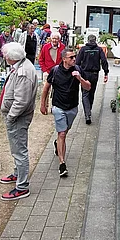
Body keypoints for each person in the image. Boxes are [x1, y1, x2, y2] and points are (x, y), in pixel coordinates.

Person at [41, 49, 91, 177]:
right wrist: (43, 104)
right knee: (62, 133)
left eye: (75, 57)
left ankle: (57, 144)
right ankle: (62, 164)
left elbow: (88, 87)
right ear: (64, 59)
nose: (74, 59)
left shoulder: (78, 69)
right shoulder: (55, 71)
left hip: (72, 107)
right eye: (71, 57)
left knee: (65, 131)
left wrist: (79, 78)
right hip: (58, 106)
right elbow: (46, 87)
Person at [0, 42, 37, 200]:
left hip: (18, 118)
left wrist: (10, 116)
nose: (4, 57)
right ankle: (17, 174)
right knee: (16, 148)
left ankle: (22, 187)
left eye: (5, 55)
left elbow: (21, 101)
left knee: (19, 151)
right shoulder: (21, 65)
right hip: (16, 116)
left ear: (11, 57)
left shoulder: (23, 72)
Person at [75, 34, 109, 124]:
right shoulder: (98, 49)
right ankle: (89, 109)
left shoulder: (83, 49)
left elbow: (77, 62)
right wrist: (106, 72)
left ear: (88, 40)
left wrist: (77, 73)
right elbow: (104, 61)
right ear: (95, 40)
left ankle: (87, 114)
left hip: (84, 73)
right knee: (92, 92)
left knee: (85, 93)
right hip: (94, 74)